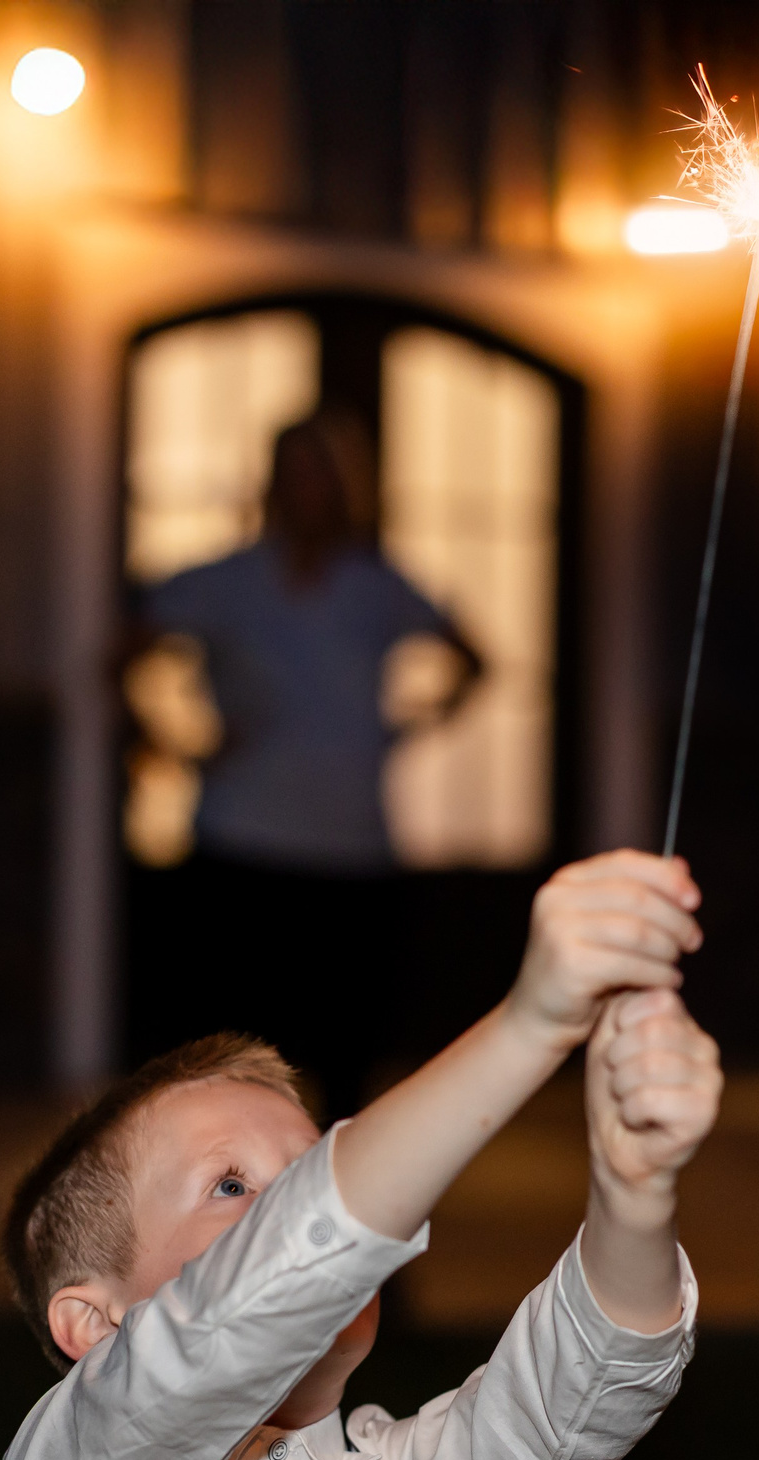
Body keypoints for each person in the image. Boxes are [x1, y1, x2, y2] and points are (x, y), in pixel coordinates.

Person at [0, 850, 719, 1460]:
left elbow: (574, 1400)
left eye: (306, 1172)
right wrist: (529, 1025)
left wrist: (635, 1187)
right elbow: (248, 1306)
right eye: (232, 1186)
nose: (294, 1207)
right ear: (96, 1325)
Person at [126, 408, 484, 1118]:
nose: (307, 490)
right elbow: (121, 652)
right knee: (233, 1039)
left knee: (347, 1042)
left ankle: (335, 1199)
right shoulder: (224, 580)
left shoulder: (376, 584)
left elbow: (472, 658)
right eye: (293, 473)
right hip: (242, 836)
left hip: (352, 844)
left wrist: (407, 727)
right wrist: (168, 742)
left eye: (321, 473)